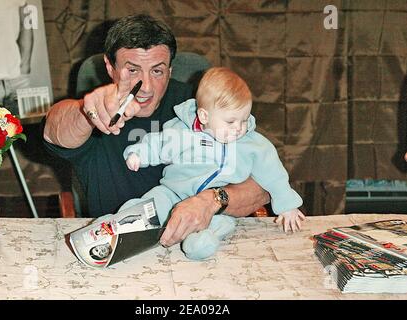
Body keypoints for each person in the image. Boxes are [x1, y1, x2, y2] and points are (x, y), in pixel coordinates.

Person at [43, 14, 271, 249]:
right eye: (132, 70)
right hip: (118, 248)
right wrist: (86, 112)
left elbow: (264, 184)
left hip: (197, 243)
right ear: (110, 67)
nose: (147, 86)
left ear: (171, 70)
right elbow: (53, 129)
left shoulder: (203, 108)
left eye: (157, 71)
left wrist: (213, 201)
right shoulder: (94, 109)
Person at [121, 67, 305, 260]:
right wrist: (138, 154)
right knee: (148, 206)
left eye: (244, 120)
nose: (239, 129)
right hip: (172, 193)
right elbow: (157, 143)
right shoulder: (183, 132)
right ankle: (118, 225)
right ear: (204, 116)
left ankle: (201, 242)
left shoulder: (252, 144)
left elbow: (273, 173)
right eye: (231, 122)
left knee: (223, 224)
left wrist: (287, 206)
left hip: (217, 210)